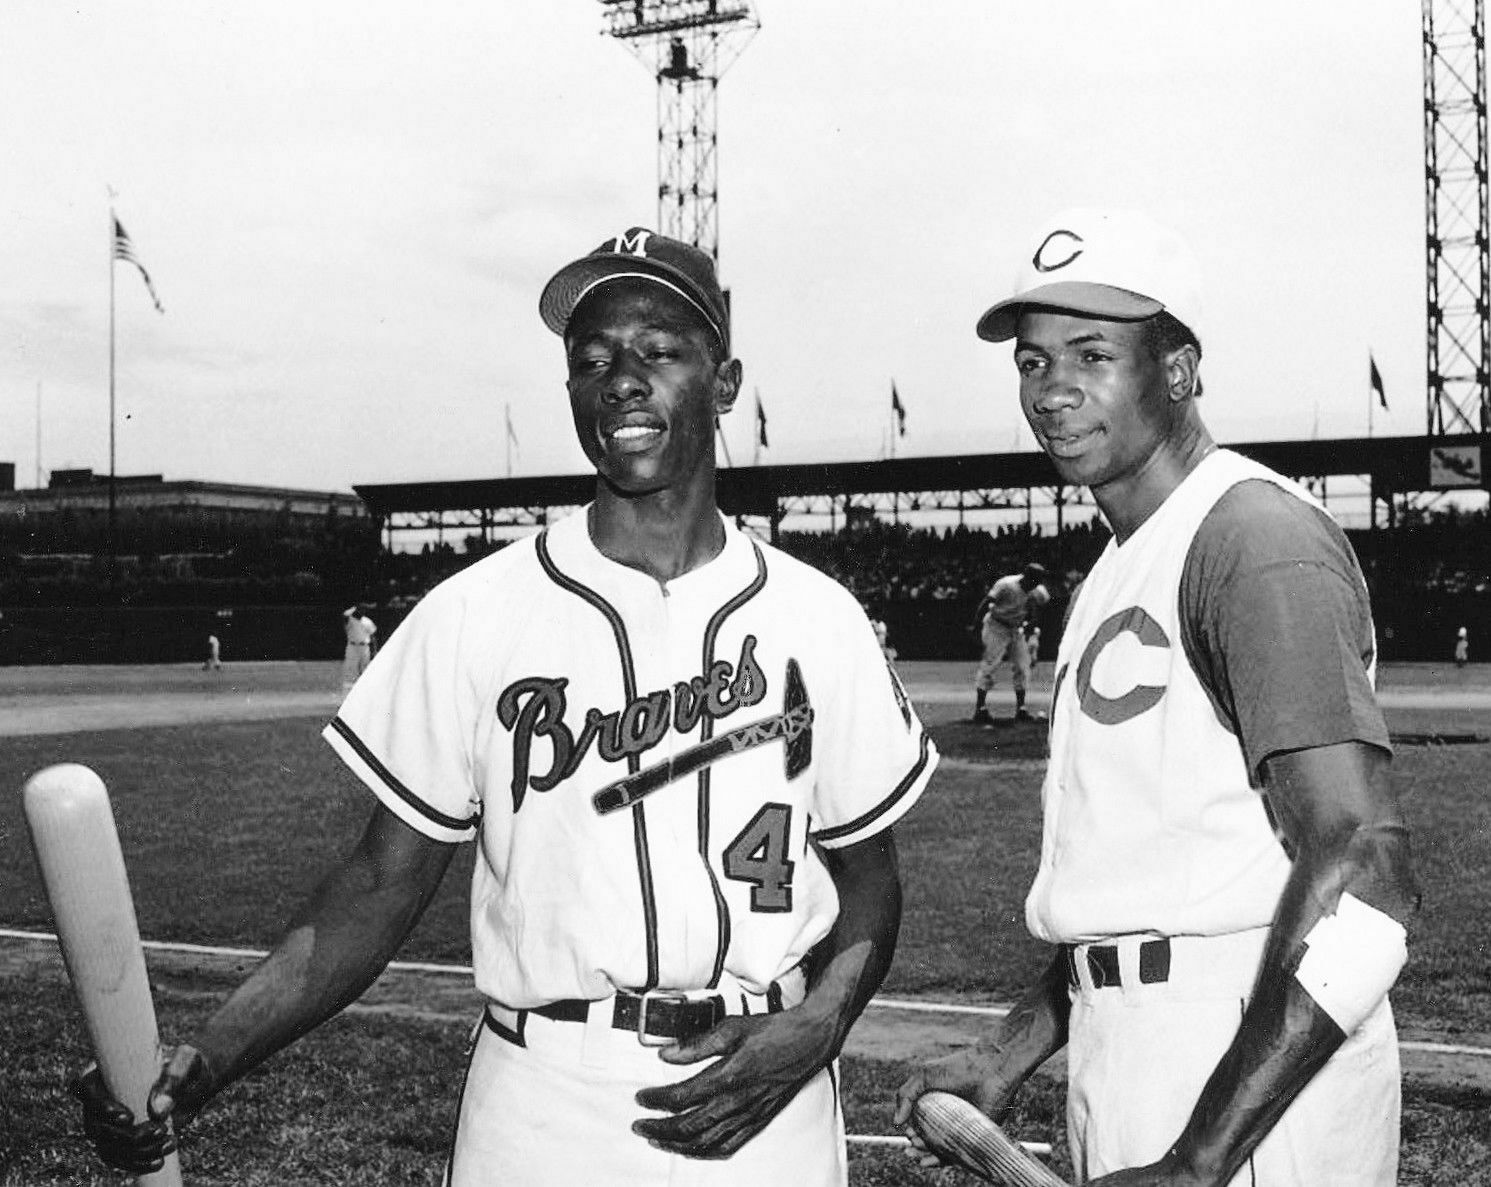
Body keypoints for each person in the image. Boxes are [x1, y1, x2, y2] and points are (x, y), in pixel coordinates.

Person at [73, 226, 939, 1187]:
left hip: (759, 1095)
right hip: (542, 1096)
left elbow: (869, 879)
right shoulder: (475, 612)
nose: (621, 379)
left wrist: (819, 1024)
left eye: (658, 351)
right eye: (593, 360)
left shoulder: (817, 616)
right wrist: (211, 1055)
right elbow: (376, 887)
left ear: (723, 382)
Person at [896, 208, 1419, 1185]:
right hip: (1135, 1045)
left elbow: (1364, 872)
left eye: (1092, 354)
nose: (1054, 391)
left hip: (1245, 1071)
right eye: (1034, 361)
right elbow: (1149, 877)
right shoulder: (1122, 561)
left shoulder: (1251, 537)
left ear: (1176, 370)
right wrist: (1009, 1049)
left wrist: (1198, 1157)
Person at [969, 562, 1049, 723]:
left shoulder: (1037, 590)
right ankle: (980, 709)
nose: (1036, 584)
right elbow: (986, 604)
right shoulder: (1006, 585)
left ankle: (1021, 709)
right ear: (1026, 577)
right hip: (996, 626)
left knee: (1022, 666)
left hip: (1015, 629)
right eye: (1034, 580)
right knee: (990, 664)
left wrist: (1031, 623)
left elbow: (1037, 607)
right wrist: (976, 628)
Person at [339, 604, 377, 690]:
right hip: (352, 646)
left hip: (364, 647)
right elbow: (344, 615)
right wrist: (353, 609)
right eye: (359, 609)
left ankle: (365, 688)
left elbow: (373, 637)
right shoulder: (350, 620)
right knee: (351, 668)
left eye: (363, 610)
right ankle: (350, 690)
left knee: (365, 668)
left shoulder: (367, 621)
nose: (361, 611)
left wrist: (374, 651)